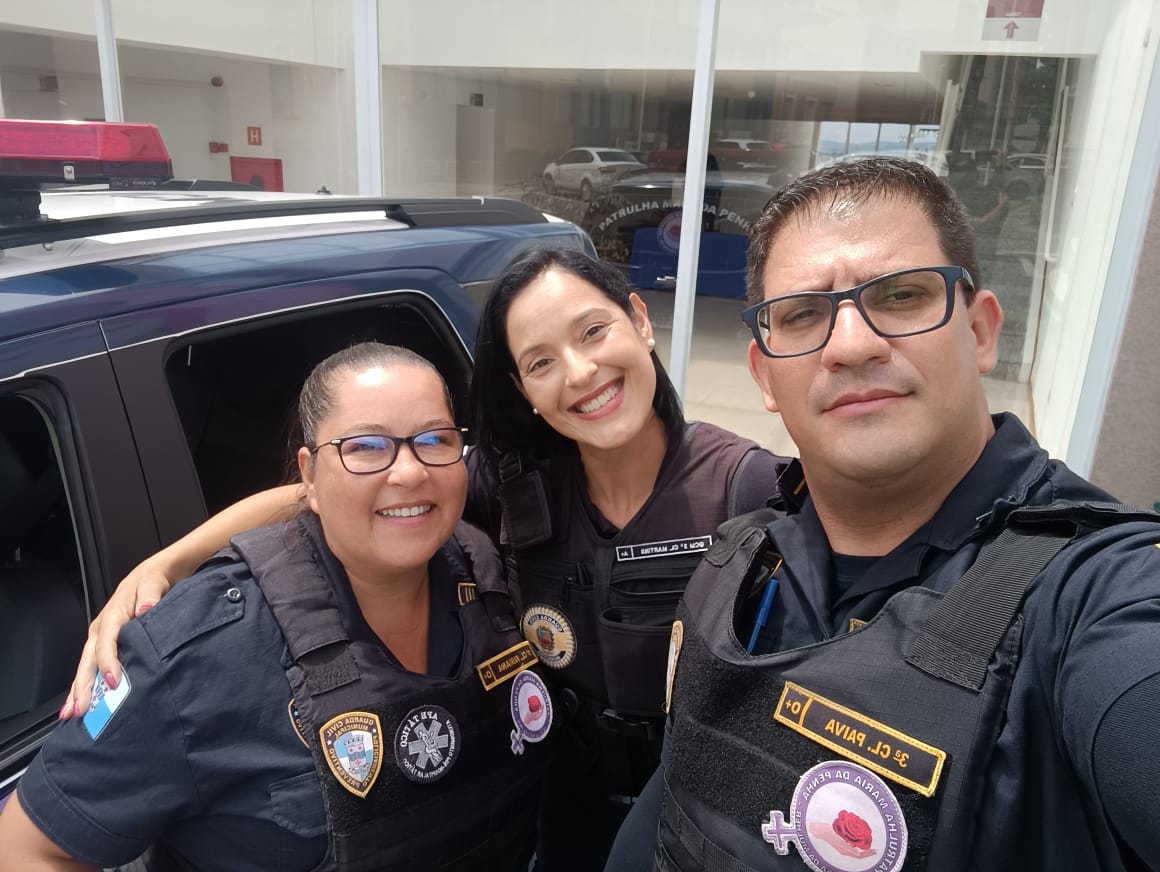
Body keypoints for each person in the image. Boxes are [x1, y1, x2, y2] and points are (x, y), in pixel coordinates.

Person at [60, 249, 788, 871]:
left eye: (593, 331)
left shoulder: (746, 486)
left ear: (639, 321)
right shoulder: (513, 484)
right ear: (523, 391)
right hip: (558, 802)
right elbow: (344, 490)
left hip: (693, 809)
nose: (579, 372)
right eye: (540, 361)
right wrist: (164, 565)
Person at [608, 156, 1160, 871]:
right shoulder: (740, 564)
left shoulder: (1094, 597)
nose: (852, 344)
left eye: (901, 295)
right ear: (765, 375)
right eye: (803, 313)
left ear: (980, 330)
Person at [0, 343, 550, 871]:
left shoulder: (493, 561)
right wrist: (167, 565)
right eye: (365, 447)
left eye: (433, 439)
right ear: (309, 473)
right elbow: (27, 851)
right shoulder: (196, 652)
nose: (409, 471)